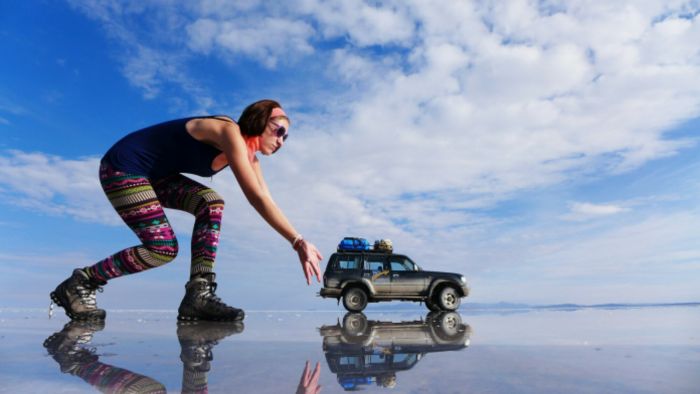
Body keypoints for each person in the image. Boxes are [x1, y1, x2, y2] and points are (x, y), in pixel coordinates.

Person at [49, 99, 324, 322]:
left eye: (286, 137)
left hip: (155, 178)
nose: (282, 141)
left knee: (211, 202)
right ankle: (81, 281)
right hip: (123, 168)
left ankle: (198, 295)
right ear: (261, 119)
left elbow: (266, 198)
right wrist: (297, 242)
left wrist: (299, 240)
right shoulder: (228, 131)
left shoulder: (250, 159)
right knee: (162, 248)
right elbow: (255, 197)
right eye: (279, 131)